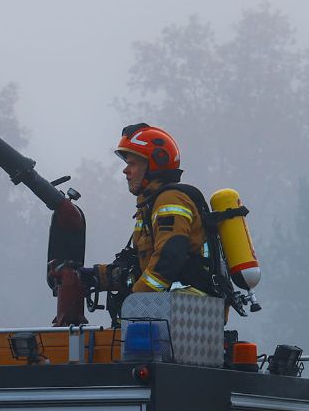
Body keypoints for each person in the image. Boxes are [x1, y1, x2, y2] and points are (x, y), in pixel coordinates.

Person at [80, 123, 219, 299]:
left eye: (132, 164)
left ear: (154, 166)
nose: (125, 170)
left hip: (187, 306)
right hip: (172, 308)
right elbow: (138, 269)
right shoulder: (150, 206)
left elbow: (168, 260)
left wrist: (136, 300)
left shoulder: (170, 200)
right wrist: (92, 276)